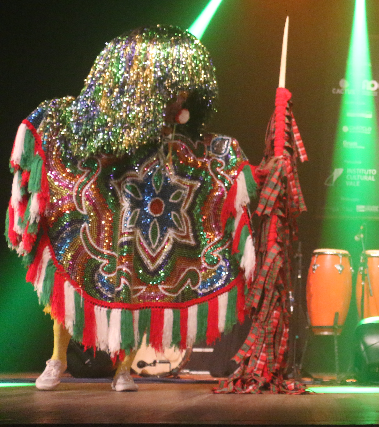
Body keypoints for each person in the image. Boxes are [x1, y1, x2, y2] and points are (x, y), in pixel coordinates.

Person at [6, 25, 257, 392]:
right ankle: (57, 359)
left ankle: (123, 369)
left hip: (143, 209)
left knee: (135, 283)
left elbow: (192, 152)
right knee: (72, 266)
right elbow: (95, 142)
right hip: (102, 202)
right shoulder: (116, 115)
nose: (181, 95)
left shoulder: (175, 116)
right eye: (175, 86)